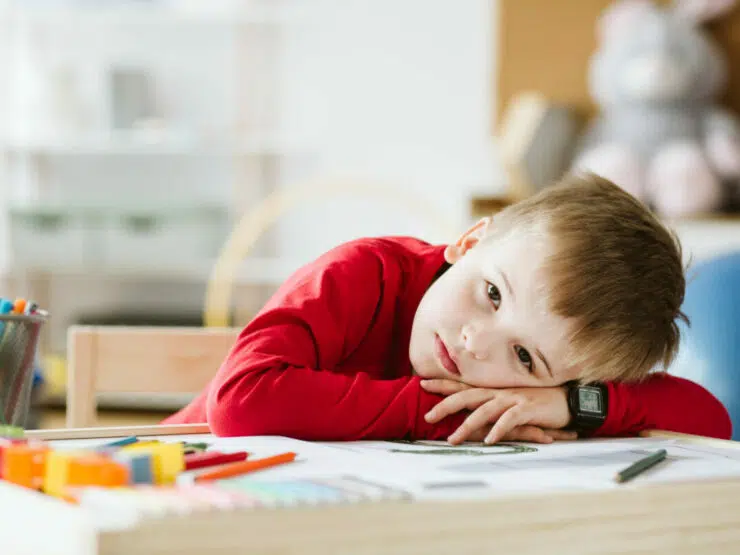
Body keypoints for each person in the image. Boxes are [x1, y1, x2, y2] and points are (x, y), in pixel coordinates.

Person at [164, 173, 732, 443]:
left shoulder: (555, 390)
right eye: (491, 294)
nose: (475, 344)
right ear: (471, 240)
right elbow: (242, 403)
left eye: (525, 357)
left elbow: (710, 417)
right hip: (162, 484)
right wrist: (447, 411)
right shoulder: (364, 273)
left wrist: (568, 405)